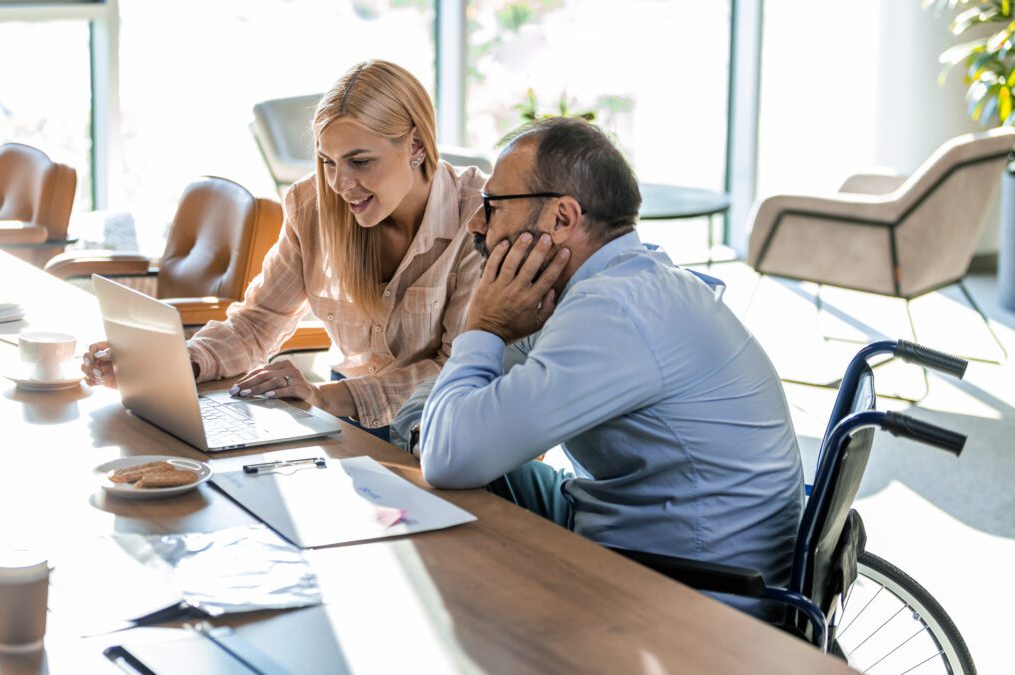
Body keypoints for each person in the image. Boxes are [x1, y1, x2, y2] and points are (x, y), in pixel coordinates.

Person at [398, 117, 804, 614]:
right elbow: (453, 412)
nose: (476, 224)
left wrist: (482, 325)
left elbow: (449, 458)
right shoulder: (622, 282)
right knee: (444, 463)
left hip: (688, 591)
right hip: (647, 529)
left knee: (443, 494)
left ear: (562, 219)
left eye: (492, 206)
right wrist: (433, 422)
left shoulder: (613, 312)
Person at [83, 60, 485, 438]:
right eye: (328, 162)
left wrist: (324, 397)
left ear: (416, 145)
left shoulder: (480, 216)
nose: (339, 184)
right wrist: (169, 366)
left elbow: (458, 368)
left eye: (359, 162)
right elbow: (257, 323)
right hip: (346, 421)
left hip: (443, 430)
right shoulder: (312, 206)